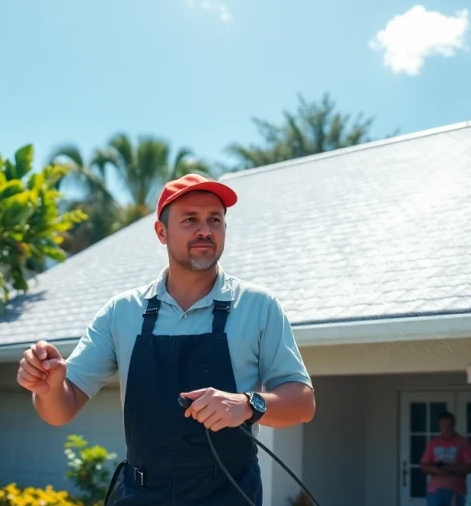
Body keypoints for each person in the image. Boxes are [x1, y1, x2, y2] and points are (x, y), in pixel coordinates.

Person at [16, 173, 316, 506]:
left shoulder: (259, 306)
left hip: (230, 495)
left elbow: (302, 403)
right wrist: (48, 387)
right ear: (162, 232)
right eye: (190, 220)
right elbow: (60, 410)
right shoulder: (122, 312)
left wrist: (247, 404)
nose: (205, 229)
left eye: (214, 220)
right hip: (141, 494)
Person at [419, 411, 471, 506]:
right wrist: (436, 469)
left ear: (454, 425)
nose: (446, 428)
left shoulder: (463, 443)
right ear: (439, 425)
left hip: (456, 490)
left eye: (449, 425)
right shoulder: (433, 443)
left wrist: (451, 468)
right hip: (435, 490)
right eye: (443, 425)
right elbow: (423, 465)